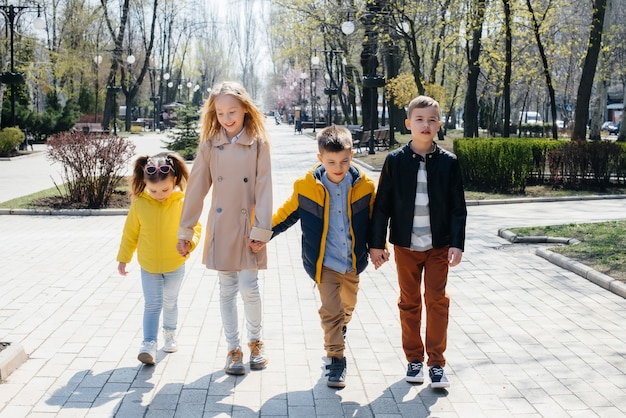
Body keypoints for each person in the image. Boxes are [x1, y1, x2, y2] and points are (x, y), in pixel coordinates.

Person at [255, 125, 376, 388]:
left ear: (352, 155)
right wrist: (261, 235)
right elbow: (285, 215)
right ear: (320, 158)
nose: (338, 167)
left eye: (344, 161)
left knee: (347, 306)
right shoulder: (306, 186)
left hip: (353, 261)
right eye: (331, 161)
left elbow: (375, 221)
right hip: (324, 263)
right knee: (331, 311)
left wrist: (380, 246)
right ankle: (336, 358)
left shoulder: (365, 185)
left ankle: (340, 328)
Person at [369, 95, 467, 389]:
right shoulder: (396, 161)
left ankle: (436, 363)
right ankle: (414, 359)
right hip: (406, 246)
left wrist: (457, 244)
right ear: (408, 123)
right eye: (420, 119)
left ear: (439, 124)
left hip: (439, 246)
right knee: (409, 302)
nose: (426, 125)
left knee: (437, 302)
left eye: (432, 120)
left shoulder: (449, 163)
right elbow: (382, 205)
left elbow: (457, 207)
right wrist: (377, 245)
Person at [176, 81, 273, 376]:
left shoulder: (258, 143)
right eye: (220, 113)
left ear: (245, 109)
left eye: (232, 111)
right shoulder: (210, 146)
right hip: (222, 226)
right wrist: (185, 231)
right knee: (227, 290)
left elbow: (264, 187)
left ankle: (256, 342)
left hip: (248, 229)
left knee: (249, 287)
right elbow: (195, 190)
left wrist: (261, 230)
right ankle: (233, 349)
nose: (227, 118)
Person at [116, 152, 201, 365]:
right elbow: (130, 234)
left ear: (174, 181)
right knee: (152, 304)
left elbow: (195, 227)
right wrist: (123, 258)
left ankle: (170, 334)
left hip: (174, 264)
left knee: (170, 302)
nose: (160, 194)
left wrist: (190, 242)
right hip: (149, 266)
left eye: (165, 189)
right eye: (153, 190)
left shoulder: (182, 202)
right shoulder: (140, 204)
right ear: (145, 183)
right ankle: (148, 344)